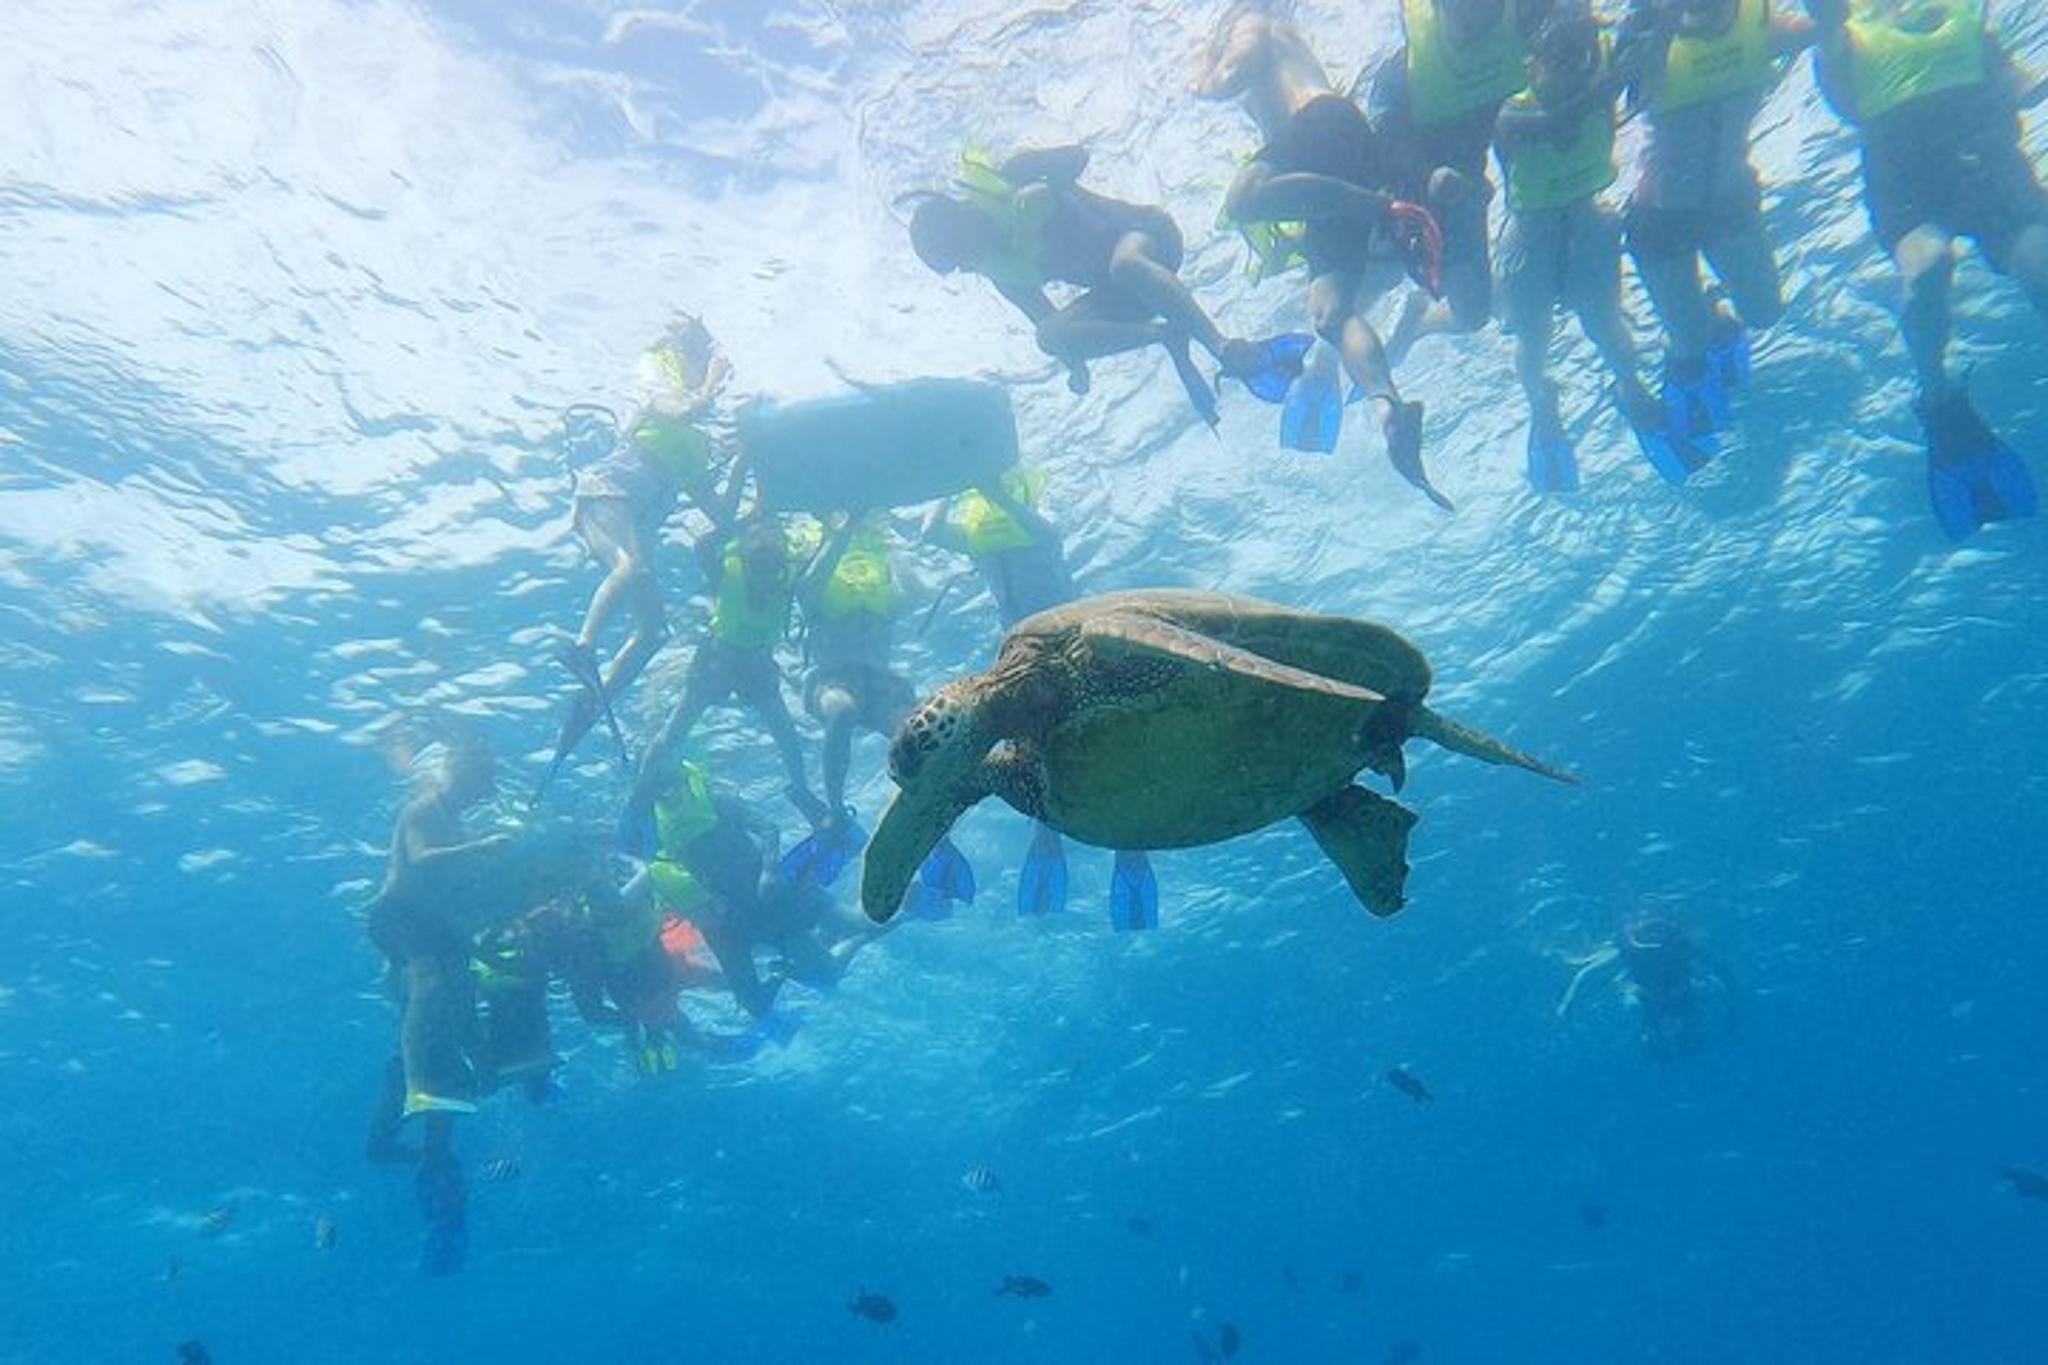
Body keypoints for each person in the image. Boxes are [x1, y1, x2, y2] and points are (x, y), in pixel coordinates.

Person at [1196, 3, 1454, 510]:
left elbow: (1225, 80)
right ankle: (1390, 411)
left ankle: (1380, 206)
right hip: (1336, 154)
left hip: (1323, 124)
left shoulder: (1256, 22)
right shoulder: (1285, 43)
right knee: (1330, 312)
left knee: (1243, 199)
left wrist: (1200, 72)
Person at [1808, 0, 2044, 538]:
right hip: (1908, 181)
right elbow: (1843, 96)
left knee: (2041, 263)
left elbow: (2017, 82)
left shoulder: (1963, 17)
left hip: (1990, 166)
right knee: (1928, 267)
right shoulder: (1849, 25)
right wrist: (1824, 24)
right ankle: (1939, 396)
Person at [919, 471, 1157, 927]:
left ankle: (1131, 852)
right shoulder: (980, 539)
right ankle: (1047, 838)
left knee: (1104, 747)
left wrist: (993, 489)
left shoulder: (1036, 521)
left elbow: (1045, 532)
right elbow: (929, 529)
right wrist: (954, 478)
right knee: (1036, 750)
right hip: (1022, 659)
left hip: (1074, 646)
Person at [1492, 5, 1713, 490]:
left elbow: (1653, 38)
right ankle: (1541, 406)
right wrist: (1609, 81)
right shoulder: (1514, 108)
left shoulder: (1600, 72)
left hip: (1589, 218)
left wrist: (1654, 38)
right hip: (1530, 234)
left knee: (1605, 322)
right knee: (1533, 337)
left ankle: (1629, 386)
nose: (1571, 72)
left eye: (1581, 60)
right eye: (1560, 63)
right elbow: (1552, 125)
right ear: (1533, 63)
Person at [909, 145, 1272, 426]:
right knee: (1048, 337)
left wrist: (1047, 181)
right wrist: (1077, 369)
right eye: (962, 265)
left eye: (964, 251)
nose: (973, 262)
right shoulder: (1003, 274)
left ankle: (1220, 345)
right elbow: (1050, 323)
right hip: (1123, 294)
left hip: (1147, 235)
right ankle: (1164, 334)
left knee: (1125, 264)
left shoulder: (1013, 177)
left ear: (962, 219)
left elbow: (1078, 156)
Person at [540, 316, 743, 796]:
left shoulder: (692, 443)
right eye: (702, 361)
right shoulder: (659, 375)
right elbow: (673, 407)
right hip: (604, 495)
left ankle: (593, 700)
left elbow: (722, 513)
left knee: (654, 631)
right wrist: (713, 380)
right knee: (630, 566)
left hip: (629, 515)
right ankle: (583, 647)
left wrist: (746, 456)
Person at [1616, 0, 1815, 441]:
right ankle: (1635, 391)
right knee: (1690, 344)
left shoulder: (1761, 27)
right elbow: (1616, 84)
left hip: (1729, 203)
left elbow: (1826, 25)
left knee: (1764, 312)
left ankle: (1711, 311)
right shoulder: (1654, 41)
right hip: (1661, 219)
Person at [623, 512, 827, 843]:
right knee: (674, 731)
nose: (765, 577)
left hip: (758, 666)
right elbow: (703, 546)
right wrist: (741, 523)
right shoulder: (725, 572)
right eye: (757, 567)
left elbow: (817, 559)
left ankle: (801, 791)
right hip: (718, 660)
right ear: (745, 559)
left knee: (786, 735)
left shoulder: (789, 576)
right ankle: (640, 797)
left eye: (771, 569)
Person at [1369, 0, 1557, 358]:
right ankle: (1421, 317)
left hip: (1507, 127)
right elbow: (1384, 132)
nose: (1475, 16)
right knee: (1472, 312)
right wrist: (1426, 174)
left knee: (1544, 256)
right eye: (1461, 7)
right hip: (1442, 169)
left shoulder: (1529, 17)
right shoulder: (1403, 68)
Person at [634, 756, 876, 1019]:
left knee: (849, 937)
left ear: (680, 778)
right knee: (810, 978)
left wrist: (769, 871)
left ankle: (873, 924)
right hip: (739, 912)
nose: (665, 795)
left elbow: (768, 827)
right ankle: (795, 963)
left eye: (668, 786)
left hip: (772, 895)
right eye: (657, 790)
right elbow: (689, 872)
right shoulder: (662, 824)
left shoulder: (713, 799)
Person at [1555, 912, 1734, 1056]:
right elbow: (1586, 974)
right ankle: (1657, 1043)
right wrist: (1568, 1002)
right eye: (1649, 935)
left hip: (1678, 992)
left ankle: (1678, 1042)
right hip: (1649, 995)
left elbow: (1718, 967)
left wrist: (1568, 1003)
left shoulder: (1679, 946)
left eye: (1659, 935)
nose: (1654, 943)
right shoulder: (1629, 951)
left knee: (1687, 1018)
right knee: (1646, 1015)